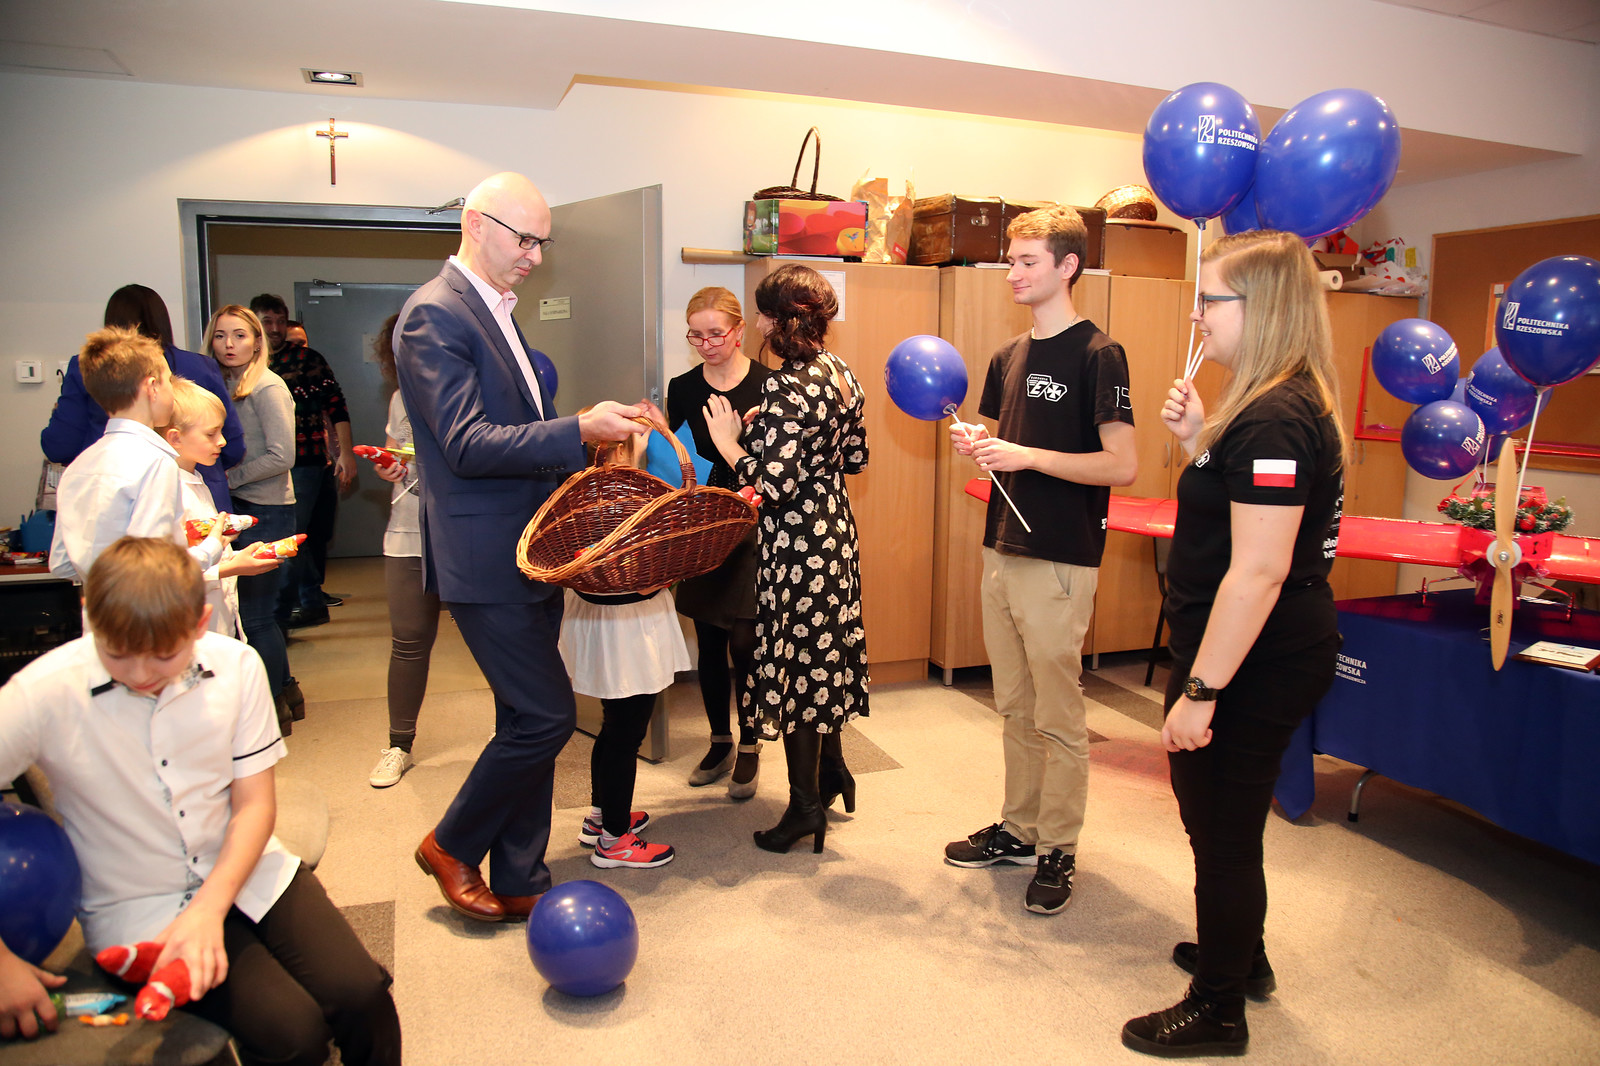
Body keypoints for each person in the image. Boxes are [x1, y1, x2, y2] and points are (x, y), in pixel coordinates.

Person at [0, 537, 401, 1064]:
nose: (141, 674)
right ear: (87, 615)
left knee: (364, 997)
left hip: (247, 866)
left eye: (164, 655)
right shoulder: (42, 690)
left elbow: (255, 806)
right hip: (138, 903)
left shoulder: (237, 665)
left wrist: (209, 910)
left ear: (199, 622)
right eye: (117, 654)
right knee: (294, 1036)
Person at [395, 171, 646, 921]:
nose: (536, 256)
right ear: (476, 223)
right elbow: (467, 444)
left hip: (529, 550)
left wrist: (584, 435)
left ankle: (520, 877)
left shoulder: (497, 311)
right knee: (546, 717)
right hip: (483, 557)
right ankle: (450, 843)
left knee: (520, 720)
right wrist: (577, 429)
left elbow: (515, 434)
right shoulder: (434, 314)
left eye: (543, 243)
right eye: (525, 239)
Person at [1121, 230, 1346, 1058]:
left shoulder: (1277, 417)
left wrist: (1202, 692)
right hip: (1251, 648)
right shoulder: (1266, 409)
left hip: (1256, 658)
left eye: (1210, 300)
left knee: (1222, 829)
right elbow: (1239, 511)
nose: (1197, 316)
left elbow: (1257, 571)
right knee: (1216, 818)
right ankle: (1240, 954)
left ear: (1265, 308)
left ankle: (1219, 1009)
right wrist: (1198, 440)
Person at [942, 205, 1138, 915]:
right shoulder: (1008, 356)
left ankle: (1059, 848)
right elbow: (1005, 449)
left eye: (1028, 261)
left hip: (1060, 555)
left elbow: (1121, 465)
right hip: (1002, 546)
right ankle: (1019, 829)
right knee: (1015, 706)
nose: (1013, 273)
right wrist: (981, 446)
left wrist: (1026, 455)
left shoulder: (1099, 354)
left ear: (1068, 266)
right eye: (1012, 260)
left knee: (1058, 714)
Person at [703, 263, 869, 855]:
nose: (760, 325)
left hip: (797, 542)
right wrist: (773, 430)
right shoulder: (840, 371)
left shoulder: (786, 385)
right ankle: (833, 771)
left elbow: (772, 484)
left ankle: (804, 809)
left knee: (801, 666)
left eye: (764, 314)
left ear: (779, 320)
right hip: (834, 531)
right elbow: (853, 458)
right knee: (826, 654)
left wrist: (730, 442)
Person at [557, 419, 688, 868]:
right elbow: (633, 575)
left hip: (603, 623)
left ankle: (601, 816)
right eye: (636, 442)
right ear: (617, 450)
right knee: (626, 731)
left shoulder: (581, 495)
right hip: (627, 628)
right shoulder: (623, 500)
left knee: (613, 725)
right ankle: (614, 841)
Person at [666, 286, 772, 797]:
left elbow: (777, 465)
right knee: (708, 638)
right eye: (696, 336)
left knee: (745, 641)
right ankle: (719, 740)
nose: (706, 344)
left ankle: (750, 743)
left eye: (715, 334)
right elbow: (676, 458)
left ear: (739, 331)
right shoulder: (683, 387)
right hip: (704, 523)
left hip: (755, 520)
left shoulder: (770, 385)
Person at [48, 327, 229, 583]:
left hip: (101, 605)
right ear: (152, 387)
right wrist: (212, 547)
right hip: (148, 605)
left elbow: (62, 564)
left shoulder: (80, 465)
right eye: (168, 381)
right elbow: (157, 564)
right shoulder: (156, 462)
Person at [42, 284, 244, 513]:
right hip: (197, 491)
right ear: (151, 388)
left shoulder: (84, 468)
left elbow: (60, 444)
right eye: (168, 382)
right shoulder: (200, 366)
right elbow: (233, 444)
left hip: (106, 497)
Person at [208, 305, 300, 734]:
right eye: (221, 336)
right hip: (240, 508)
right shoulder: (222, 384)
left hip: (266, 509)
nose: (229, 345)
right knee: (257, 614)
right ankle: (286, 690)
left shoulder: (267, 386)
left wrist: (229, 478)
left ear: (258, 341)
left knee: (257, 615)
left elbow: (283, 455)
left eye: (240, 335)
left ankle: (271, 706)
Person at [250, 294, 356, 629]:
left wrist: (346, 452)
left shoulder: (307, 359)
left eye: (280, 321)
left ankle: (285, 613)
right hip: (258, 463)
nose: (275, 328)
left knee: (292, 534)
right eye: (267, 321)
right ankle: (307, 601)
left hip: (305, 462)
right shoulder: (247, 361)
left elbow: (336, 405)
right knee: (284, 535)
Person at [366, 314, 441, 789]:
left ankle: (509, 731)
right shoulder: (400, 398)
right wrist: (388, 465)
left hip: (461, 533)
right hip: (408, 530)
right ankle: (399, 744)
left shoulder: (473, 391)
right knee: (409, 638)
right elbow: (394, 451)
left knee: (490, 636)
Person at [162, 376, 284, 638]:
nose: (222, 441)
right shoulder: (168, 489)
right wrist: (233, 567)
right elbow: (169, 573)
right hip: (193, 624)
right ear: (175, 438)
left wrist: (231, 552)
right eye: (210, 434)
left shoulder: (197, 478)